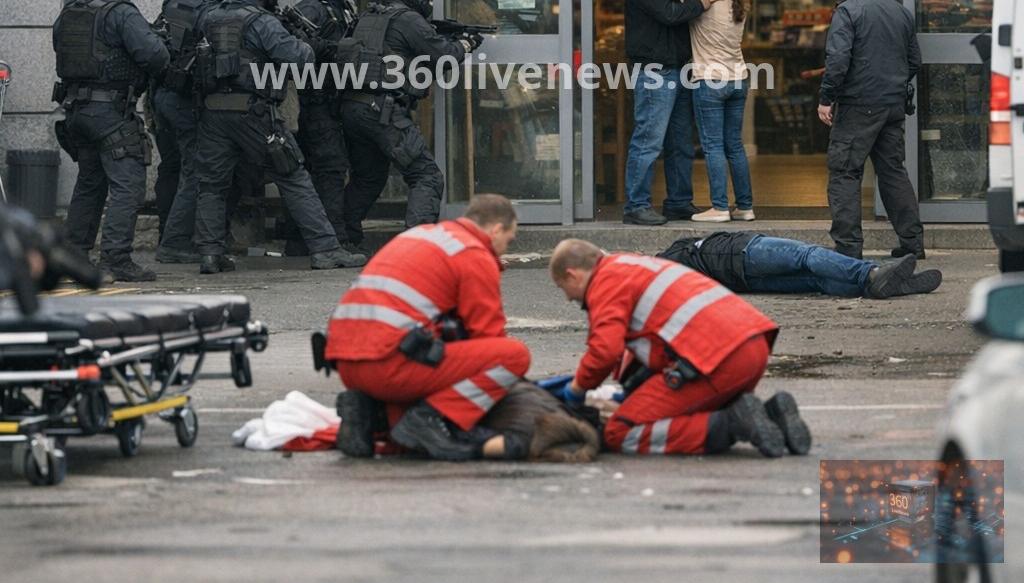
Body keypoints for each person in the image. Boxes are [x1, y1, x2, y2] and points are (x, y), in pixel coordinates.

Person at [548, 238, 810, 459]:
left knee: (620, 431)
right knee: (680, 409)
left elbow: (604, 351)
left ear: (572, 274)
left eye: (563, 288)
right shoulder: (632, 265)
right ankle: (771, 417)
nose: (568, 297)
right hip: (754, 345)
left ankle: (732, 424)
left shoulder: (605, 282)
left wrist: (577, 389)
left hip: (717, 361)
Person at [190, 0, 367, 274]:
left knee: (212, 184)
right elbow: (299, 59)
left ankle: (209, 254)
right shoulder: (263, 21)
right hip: (254, 112)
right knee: (294, 176)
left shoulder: (212, 15)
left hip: (213, 111)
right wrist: (302, 39)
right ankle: (326, 249)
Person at [326, 193, 531, 461]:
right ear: (496, 230)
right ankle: (431, 419)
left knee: (430, 360)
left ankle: (369, 411)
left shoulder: (420, 235)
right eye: (509, 240)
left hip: (347, 365)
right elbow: (488, 336)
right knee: (512, 356)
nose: (505, 249)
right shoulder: (473, 252)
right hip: (388, 367)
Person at [339, 0, 482, 251]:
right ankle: (416, 249)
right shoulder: (409, 20)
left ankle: (342, 239)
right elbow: (444, 56)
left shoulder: (370, 16)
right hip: (382, 112)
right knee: (426, 175)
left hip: (354, 108)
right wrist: (466, 43)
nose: (429, 4)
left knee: (368, 178)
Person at [51, 0, 169, 282]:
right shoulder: (121, 12)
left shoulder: (69, 11)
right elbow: (155, 57)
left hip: (76, 111)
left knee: (90, 184)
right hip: (110, 113)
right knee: (128, 186)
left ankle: (73, 256)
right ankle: (116, 258)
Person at [817, 0, 925, 260]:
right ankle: (913, 244)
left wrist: (826, 98)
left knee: (844, 173)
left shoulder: (848, 11)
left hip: (857, 105)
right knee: (893, 172)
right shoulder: (900, 11)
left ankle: (848, 249)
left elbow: (838, 61)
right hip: (892, 105)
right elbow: (914, 61)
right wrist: (891, 84)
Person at [622, 0, 723, 226]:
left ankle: (678, 202)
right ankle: (636, 205)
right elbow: (671, 14)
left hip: (678, 70)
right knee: (649, 140)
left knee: (680, 142)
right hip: (655, 73)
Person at [151, 0, 233, 264]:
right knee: (195, 171)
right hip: (186, 100)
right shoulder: (212, 13)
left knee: (171, 167)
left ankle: (167, 235)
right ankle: (174, 243)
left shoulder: (172, 4)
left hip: (161, 96)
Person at [283, 0, 363, 257]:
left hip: (331, 100)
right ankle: (334, 240)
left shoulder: (338, 6)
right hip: (314, 102)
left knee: (317, 170)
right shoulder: (311, 10)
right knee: (329, 168)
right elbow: (300, 53)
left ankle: (299, 240)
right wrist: (335, 50)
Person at [658, 231, 942, 298]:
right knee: (807, 255)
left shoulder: (668, 279)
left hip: (742, 282)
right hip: (742, 252)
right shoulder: (667, 261)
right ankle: (872, 272)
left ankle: (882, 286)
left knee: (814, 279)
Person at [688, 0, 754, 223]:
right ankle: (745, 207)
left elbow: (681, 11)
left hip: (711, 80)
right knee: (734, 146)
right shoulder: (737, 0)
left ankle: (719, 207)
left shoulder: (705, 2)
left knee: (713, 146)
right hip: (738, 79)